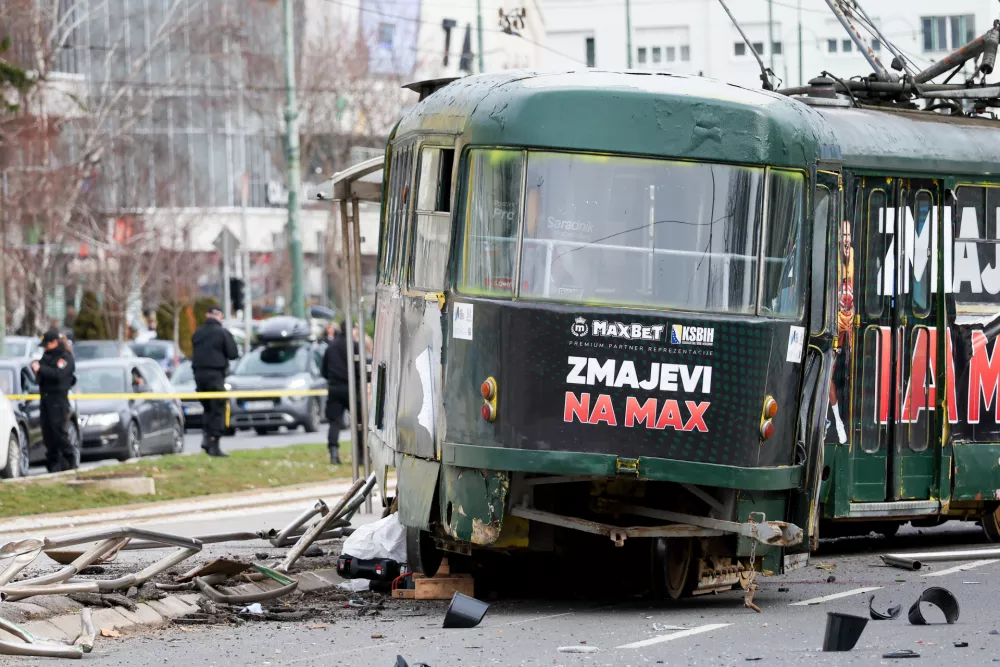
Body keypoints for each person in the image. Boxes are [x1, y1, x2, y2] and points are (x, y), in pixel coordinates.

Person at [191, 305, 239, 457]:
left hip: (199, 376)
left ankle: (207, 438)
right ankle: (214, 444)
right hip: (215, 375)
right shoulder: (222, 333)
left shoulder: (197, 333)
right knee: (218, 409)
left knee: (207, 409)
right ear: (220, 316)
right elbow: (233, 353)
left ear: (207, 315)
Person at [32, 329, 77, 473]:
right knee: (48, 433)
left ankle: (70, 459)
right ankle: (53, 463)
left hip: (58, 401)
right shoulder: (46, 357)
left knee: (59, 433)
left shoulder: (65, 358)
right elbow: (41, 377)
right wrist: (36, 370)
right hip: (45, 399)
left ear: (55, 342)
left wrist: (41, 369)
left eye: (47, 344)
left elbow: (58, 375)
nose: (45, 348)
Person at [322, 322, 363, 465]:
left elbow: (324, 370)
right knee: (360, 422)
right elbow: (360, 369)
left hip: (334, 388)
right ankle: (362, 456)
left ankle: (334, 454)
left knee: (334, 422)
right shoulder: (355, 346)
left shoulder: (331, 346)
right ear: (351, 329)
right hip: (353, 389)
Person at [829, 218, 854, 445]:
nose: (846, 239)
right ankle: (837, 421)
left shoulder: (855, 258)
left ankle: (850, 420)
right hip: (837, 326)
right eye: (843, 235)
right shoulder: (833, 260)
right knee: (830, 375)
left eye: (848, 235)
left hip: (851, 326)